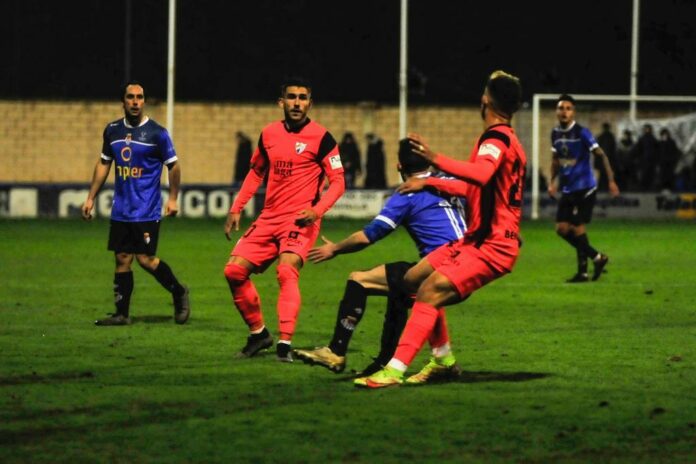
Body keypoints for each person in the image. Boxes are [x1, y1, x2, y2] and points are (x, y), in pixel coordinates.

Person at [358, 69, 527, 388]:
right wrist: (430, 181)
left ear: (486, 100)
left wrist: (434, 159)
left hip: (493, 245)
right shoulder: (510, 141)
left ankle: (395, 369)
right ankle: (443, 361)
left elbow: (479, 175)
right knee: (412, 280)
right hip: (474, 240)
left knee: (429, 291)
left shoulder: (496, 139)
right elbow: (474, 187)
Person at [294, 138, 468, 381]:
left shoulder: (406, 195)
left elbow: (368, 236)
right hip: (471, 266)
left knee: (360, 280)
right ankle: (405, 362)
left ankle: (336, 351)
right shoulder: (452, 183)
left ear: (398, 166)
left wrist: (335, 249)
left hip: (443, 265)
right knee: (403, 289)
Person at [223, 77, 346, 362]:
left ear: (310, 103)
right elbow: (256, 172)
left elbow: (338, 181)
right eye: (291, 97)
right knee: (233, 271)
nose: (297, 103)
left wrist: (317, 211)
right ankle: (259, 334)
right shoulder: (268, 135)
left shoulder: (322, 137)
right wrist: (237, 207)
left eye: (303, 98)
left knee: (286, 270)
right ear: (281, 102)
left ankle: (284, 343)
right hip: (269, 218)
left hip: (301, 219)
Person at [81, 81, 190, 326]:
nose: (135, 101)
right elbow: (103, 164)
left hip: (147, 209)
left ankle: (179, 291)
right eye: (130, 97)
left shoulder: (157, 133)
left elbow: (173, 165)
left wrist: (172, 198)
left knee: (145, 260)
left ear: (144, 101)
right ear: (123, 101)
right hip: (122, 209)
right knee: (122, 258)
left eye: (139, 97)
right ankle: (122, 314)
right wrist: (90, 197)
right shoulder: (112, 131)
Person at [548, 94, 620, 283]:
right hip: (568, 188)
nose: (564, 112)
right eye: (561, 108)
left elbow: (601, 155)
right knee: (561, 229)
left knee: (577, 226)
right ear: (557, 112)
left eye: (568, 108)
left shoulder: (582, 132)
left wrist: (611, 181)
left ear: (574, 112)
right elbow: (555, 160)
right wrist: (551, 181)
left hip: (585, 188)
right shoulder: (555, 134)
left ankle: (583, 273)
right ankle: (597, 258)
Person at [632, 123, 659, 191]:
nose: (647, 130)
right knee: (644, 175)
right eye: (646, 129)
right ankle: (644, 188)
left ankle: (649, 188)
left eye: (648, 129)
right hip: (644, 160)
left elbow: (657, 150)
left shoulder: (653, 139)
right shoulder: (642, 139)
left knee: (650, 175)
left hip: (651, 161)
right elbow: (638, 149)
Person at [595, 122, 617, 192]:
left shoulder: (600, 137)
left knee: (602, 175)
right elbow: (613, 151)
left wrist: (596, 162)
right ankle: (607, 188)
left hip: (601, 160)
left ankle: (602, 188)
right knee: (608, 174)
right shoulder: (611, 137)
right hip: (609, 160)